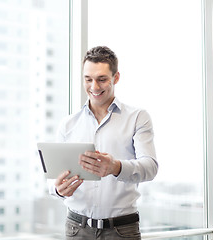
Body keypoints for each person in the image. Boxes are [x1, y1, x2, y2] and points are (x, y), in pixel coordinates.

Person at [48, 46, 158, 240]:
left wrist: (116, 167)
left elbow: (150, 167)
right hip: (76, 229)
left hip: (121, 230)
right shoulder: (68, 124)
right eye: (88, 79)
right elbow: (55, 175)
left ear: (116, 78)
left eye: (102, 79)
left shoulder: (137, 117)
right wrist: (57, 189)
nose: (94, 87)